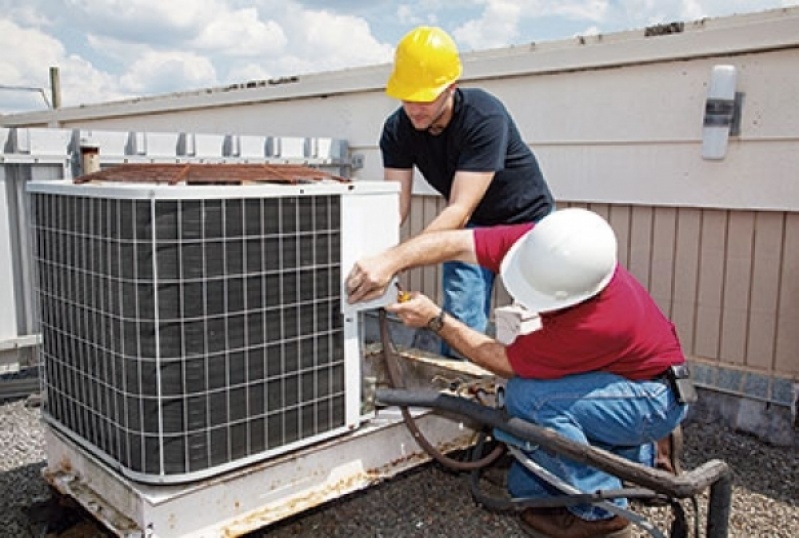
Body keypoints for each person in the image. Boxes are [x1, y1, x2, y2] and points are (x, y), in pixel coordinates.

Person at [347, 208, 690, 538]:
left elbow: (501, 361)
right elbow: (456, 242)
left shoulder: (599, 323)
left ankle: (602, 511)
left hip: (651, 396)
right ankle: (645, 457)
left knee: (529, 400)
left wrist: (435, 319)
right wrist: (390, 259)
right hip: (626, 377)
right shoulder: (545, 247)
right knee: (523, 485)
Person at [380, 25, 554, 357]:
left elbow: (459, 207)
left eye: (426, 98)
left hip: (529, 223)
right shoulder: (397, 129)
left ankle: (538, 394)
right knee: (459, 317)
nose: (415, 108)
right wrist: (377, 254)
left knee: (544, 317)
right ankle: (462, 396)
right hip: (473, 228)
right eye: (407, 97)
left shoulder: (483, 115)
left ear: (451, 88)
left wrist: (397, 260)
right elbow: (395, 207)